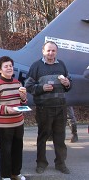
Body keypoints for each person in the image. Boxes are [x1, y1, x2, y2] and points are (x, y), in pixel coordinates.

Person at [25, 41, 72, 175]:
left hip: (60, 108)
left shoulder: (61, 65)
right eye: (48, 50)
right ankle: (41, 163)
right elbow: (28, 86)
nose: (51, 53)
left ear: (56, 52)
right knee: (42, 137)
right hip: (44, 108)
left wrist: (68, 83)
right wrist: (41, 88)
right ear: (43, 51)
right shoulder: (36, 66)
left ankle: (61, 164)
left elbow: (69, 86)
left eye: (53, 51)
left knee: (60, 137)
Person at [0, 56, 27, 180]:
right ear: (0, 70)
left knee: (18, 149)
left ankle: (16, 173)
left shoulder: (18, 83)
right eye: (6, 66)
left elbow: (23, 103)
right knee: (6, 150)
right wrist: (6, 109)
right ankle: (5, 176)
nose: (9, 68)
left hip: (19, 122)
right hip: (3, 125)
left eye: (10, 66)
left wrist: (23, 97)